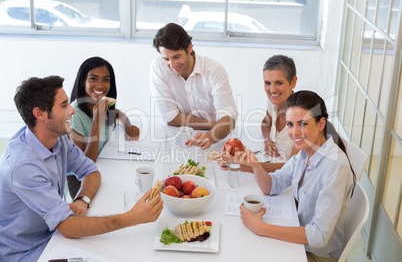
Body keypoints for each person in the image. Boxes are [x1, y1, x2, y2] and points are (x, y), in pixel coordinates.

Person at [0, 76, 163, 261]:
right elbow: (68, 227)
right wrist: (131, 218)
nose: (72, 110)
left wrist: (82, 199)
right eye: (63, 106)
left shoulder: (57, 138)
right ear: (40, 114)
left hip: (53, 236)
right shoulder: (23, 166)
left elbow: (91, 171)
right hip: (26, 253)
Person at [226, 91, 356, 261]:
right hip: (298, 237)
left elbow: (319, 236)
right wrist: (255, 165)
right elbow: (271, 186)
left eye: (302, 124)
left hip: (316, 255)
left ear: (321, 123)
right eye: (290, 124)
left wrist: (261, 227)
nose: (294, 132)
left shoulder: (334, 167)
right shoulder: (304, 153)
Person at [150, 23, 238, 150]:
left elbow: (228, 119)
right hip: (177, 139)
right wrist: (213, 124)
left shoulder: (214, 71)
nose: (172, 64)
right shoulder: (158, 67)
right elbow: (170, 117)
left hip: (214, 139)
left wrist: (211, 136)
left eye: (176, 57)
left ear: (189, 48)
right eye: (166, 59)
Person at [68, 56, 140, 198]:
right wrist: (96, 123)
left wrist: (128, 126)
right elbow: (85, 162)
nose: (100, 85)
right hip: (81, 179)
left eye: (106, 79)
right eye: (93, 78)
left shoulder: (102, 103)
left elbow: (117, 114)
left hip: (103, 166)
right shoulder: (74, 114)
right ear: (83, 81)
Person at [261, 55, 298, 162]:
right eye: (267, 83)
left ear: (293, 82)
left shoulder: (301, 119)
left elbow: (292, 168)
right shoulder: (272, 103)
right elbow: (265, 123)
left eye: (279, 83)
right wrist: (267, 141)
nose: (272, 90)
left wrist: (248, 165)